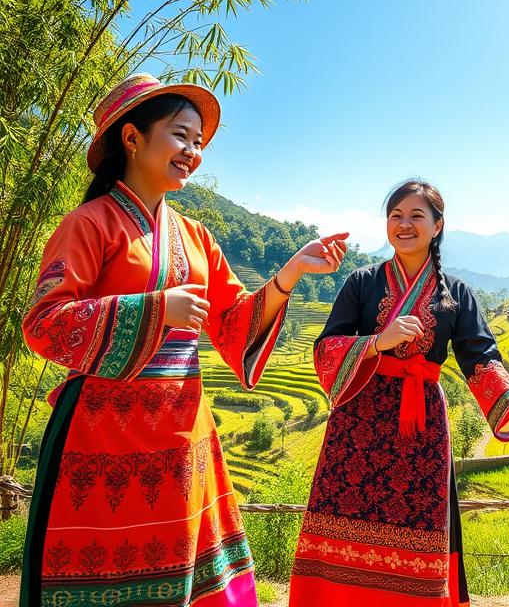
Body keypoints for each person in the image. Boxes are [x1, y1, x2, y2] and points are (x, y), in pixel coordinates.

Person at [20, 73, 348, 607]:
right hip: (102, 443)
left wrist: (289, 273)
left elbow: (235, 323)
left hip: (182, 440)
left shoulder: (196, 236)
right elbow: (45, 323)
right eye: (180, 135)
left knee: (186, 577)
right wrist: (154, 309)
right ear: (132, 138)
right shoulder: (88, 224)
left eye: (198, 142)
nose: (193, 152)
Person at [289, 179, 509, 607]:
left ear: (437, 226)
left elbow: (481, 357)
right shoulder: (361, 282)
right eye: (396, 216)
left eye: (416, 216)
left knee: (419, 524)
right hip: (358, 424)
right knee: (342, 518)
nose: (404, 224)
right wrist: (377, 341)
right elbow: (325, 351)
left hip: (421, 427)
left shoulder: (457, 294)